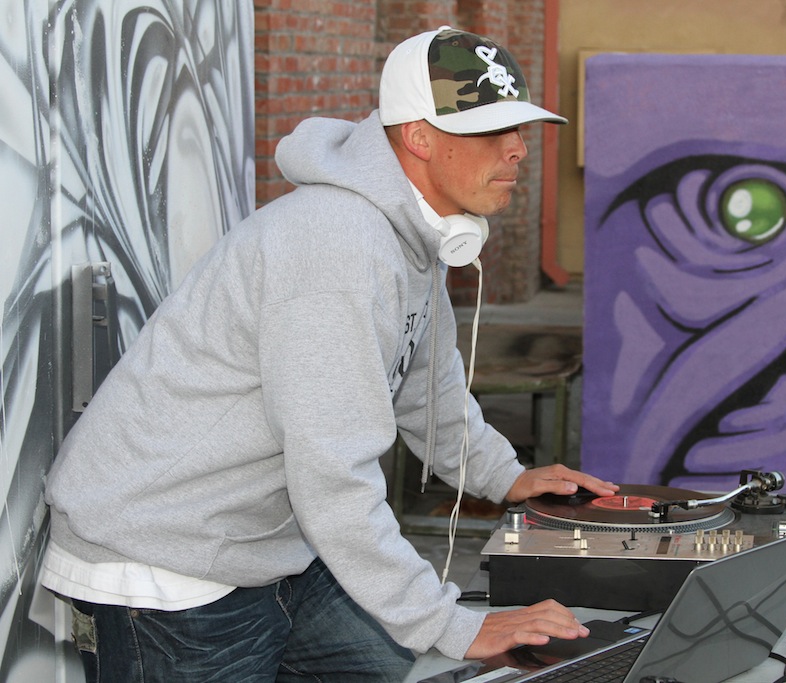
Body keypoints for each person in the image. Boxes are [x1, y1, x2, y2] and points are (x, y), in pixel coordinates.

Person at [41, 25, 618, 682]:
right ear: (418, 136)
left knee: (380, 666)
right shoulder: (337, 245)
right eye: (491, 129)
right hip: (170, 557)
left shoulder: (414, 237)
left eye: (519, 128)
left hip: (268, 543)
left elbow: (425, 387)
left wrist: (501, 475)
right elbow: (333, 471)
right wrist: (449, 623)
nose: (518, 148)